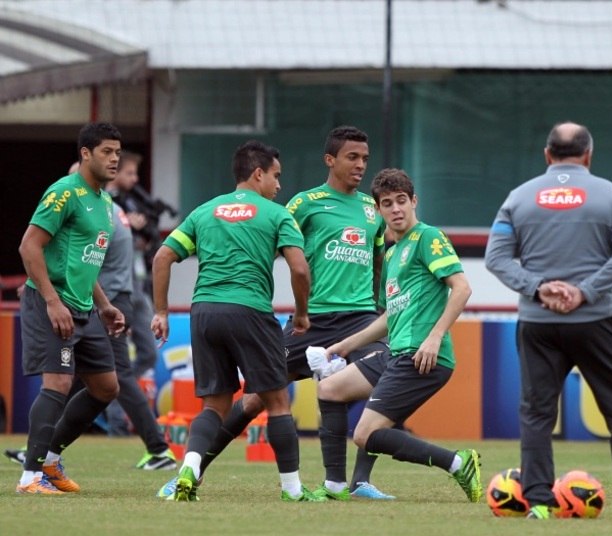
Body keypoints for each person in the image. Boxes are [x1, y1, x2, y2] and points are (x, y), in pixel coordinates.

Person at [156, 125, 394, 501]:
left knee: (387, 382)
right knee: (254, 400)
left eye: (365, 158)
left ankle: (359, 481)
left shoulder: (371, 209)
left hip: (360, 317)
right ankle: (193, 473)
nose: (361, 165)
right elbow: (270, 244)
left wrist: (380, 302)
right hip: (312, 321)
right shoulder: (302, 204)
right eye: (353, 157)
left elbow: (380, 260)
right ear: (330, 160)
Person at [484, 121, 612, 519]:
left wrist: (538, 288)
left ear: (547, 155)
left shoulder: (518, 198)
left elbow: (495, 258)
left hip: (538, 322)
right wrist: (584, 292)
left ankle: (537, 500)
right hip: (596, 320)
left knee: (537, 412)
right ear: (589, 155)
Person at [151, 140, 324, 502]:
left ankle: (189, 468)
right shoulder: (277, 215)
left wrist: (162, 311)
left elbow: (163, 257)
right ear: (258, 173)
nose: (279, 186)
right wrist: (303, 313)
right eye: (276, 176)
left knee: (214, 405)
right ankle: (292, 489)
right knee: (276, 401)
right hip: (250, 311)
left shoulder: (204, 211)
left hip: (204, 312)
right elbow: (299, 268)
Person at [317, 168, 481, 503]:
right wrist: (345, 345)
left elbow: (462, 289)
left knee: (365, 434)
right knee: (330, 388)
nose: (396, 209)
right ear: (378, 210)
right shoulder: (392, 254)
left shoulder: (428, 237)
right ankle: (340, 485)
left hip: (422, 357)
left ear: (414, 201)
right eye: (387, 203)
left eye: (401, 201)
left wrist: (435, 337)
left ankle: (458, 463)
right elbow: (391, 316)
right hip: (397, 353)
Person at [16, 122, 125, 494]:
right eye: (107, 152)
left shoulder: (106, 202)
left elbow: (84, 260)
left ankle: (49, 459)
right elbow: (29, 247)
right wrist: (51, 301)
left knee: (106, 387)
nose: (115, 159)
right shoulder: (64, 193)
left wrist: (105, 305)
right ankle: (30, 477)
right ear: (85, 153)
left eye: (117, 152)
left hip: (84, 307)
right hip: (51, 304)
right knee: (59, 383)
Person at [93, 155, 177, 470]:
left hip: (119, 295)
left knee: (119, 372)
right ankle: (40, 449)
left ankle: (40, 449)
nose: (133, 177)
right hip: (111, 295)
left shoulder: (113, 210)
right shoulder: (108, 209)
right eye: (129, 172)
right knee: (86, 377)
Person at [106, 151, 161, 379]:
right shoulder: (103, 203)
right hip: (114, 291)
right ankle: (111, 409)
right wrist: (128, 223)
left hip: (138, 289)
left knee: (149, 353)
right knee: (112, 359)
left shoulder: (131, 201)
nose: (135, 179)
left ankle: (115, 396)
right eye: (129, 173)